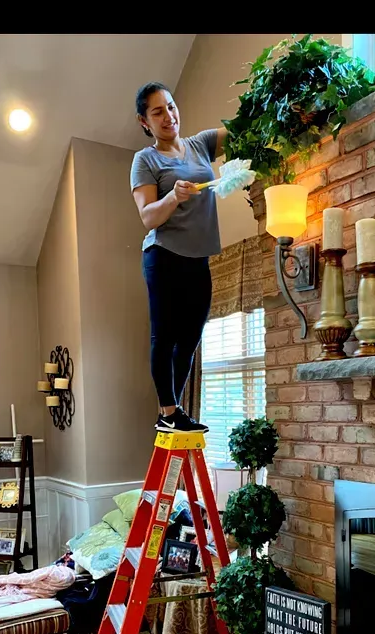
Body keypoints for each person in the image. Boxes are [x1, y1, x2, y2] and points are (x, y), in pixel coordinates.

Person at [131, 82, 227, 433]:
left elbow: (242, 128)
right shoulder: (145, 160)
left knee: (190, 338)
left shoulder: (200, 144)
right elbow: (148, 216)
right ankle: (168, 411)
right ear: (145, 122)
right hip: (164, 255)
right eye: (158, 112)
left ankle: (174, 410)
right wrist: (173, 196)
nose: (168, 116)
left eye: (170, 107)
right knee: (166, 336)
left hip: (197, 257)